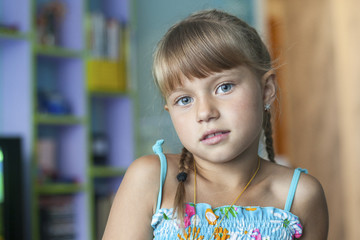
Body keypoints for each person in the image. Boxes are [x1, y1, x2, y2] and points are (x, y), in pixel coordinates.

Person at [103, 9, 328, 240]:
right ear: (170, 112)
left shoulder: (300, 196)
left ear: (266, 90)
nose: (205, 112)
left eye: (225, 87)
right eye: (185, 100)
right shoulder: (152, 180)